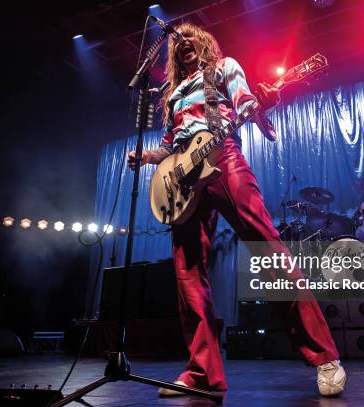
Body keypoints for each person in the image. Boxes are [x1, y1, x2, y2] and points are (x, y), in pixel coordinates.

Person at [128, 23, 346, 397]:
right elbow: (170, 143)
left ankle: (324, 357)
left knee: (267, 247)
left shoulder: (223, 68)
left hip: (223, 159)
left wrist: (264, 102)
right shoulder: (171, 93)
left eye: (191, 40)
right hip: (182, 180)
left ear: (205, 45)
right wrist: (148, 157)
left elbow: (246, 102)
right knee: (188, 274)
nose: (184, 45)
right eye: (178, 45)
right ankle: (202, 374)